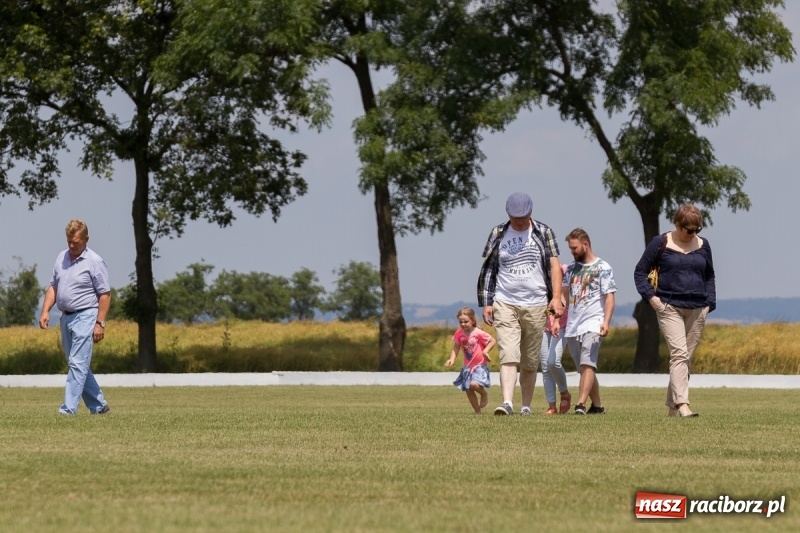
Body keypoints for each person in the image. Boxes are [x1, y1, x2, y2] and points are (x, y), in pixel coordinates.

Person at [477, 192, 564, 416]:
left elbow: (554, 266)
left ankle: (526, 405)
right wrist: (487, 302)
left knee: (530, 360)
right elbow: (489, 268)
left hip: (536, 303)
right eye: (515, 218)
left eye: (523, 217)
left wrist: (556, 297)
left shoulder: (544, 232)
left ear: (530, 213)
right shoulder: (498, 233)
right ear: (508, 214)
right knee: (508, 354)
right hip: (505, 301)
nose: (519, 222)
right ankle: (507, 403)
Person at [634, 205, 716, 418]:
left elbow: (709, 275)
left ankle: (672, 408)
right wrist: (653, 300)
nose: (693, 234)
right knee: (679, 354)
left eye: (697, 229)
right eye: (689, 230)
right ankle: (683, 404)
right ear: (677, 225)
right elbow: (640, 272)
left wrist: (709, 303)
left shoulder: (704, 245)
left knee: (685, 358)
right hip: (669, 306)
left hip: (698, 308)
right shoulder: (660, 243)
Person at [39, 219, 112, 416]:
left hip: (86, 315)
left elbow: (105, 294)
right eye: (69, 241)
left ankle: (68, 409)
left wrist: (100, 323)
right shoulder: (61, 257)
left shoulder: (94, 261)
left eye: (76, 242)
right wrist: (45, 310)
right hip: (66, 317)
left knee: (78, 363)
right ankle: (99, 406)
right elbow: (53, 286)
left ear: (86, 239)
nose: (72, 246)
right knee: (76, 363)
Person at [562, 228, 616, 415]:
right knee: (584, 368)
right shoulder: (571, 269)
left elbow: (609, 298)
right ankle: (598, 406)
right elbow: (564, 296)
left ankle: (580, 404)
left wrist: (606, 322)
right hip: (573, 325)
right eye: (570, 248)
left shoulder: (603, 268)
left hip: (594, 322)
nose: (572, 252)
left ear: (585, 244)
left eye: (574, 248)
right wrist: (555, 315)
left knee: (587, 362)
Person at [445, 307, 495, 414]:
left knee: (473, 384)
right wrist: (451, 359)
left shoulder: (478, 332)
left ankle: (484, 394)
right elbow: (456, 347)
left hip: (479, 366)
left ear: (472, 320)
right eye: (460, 322)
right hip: (467, 367)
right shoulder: (459, 333)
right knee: (468, 390)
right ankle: (477, 411)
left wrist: (485, 351)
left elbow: (492, 341)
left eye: (466, 321)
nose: (463, 324)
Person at [540, 263, 571, 415]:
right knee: (546, 367)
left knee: (553, 361)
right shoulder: (538, 273)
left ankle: (564, 393)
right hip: (544, 326)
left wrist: (556, 319)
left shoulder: (562, 270)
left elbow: (564, 300)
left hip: (562, 324)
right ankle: (551, 405)